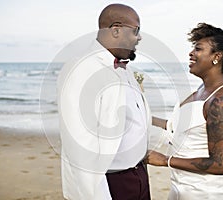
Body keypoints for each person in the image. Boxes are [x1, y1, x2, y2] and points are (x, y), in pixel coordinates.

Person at [58, 4, 154, 200]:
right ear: (116, 30)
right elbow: (80, 148)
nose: (140, 37)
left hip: (139, 176)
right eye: (136, 30)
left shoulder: (123, 69)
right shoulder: (82, 69)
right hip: (111, 184)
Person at [147, 23, 223, 199]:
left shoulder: (221, 101)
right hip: (182, 185)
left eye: (198, 49)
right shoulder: (202, 89)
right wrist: (142, 116)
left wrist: (165, 161)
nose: (191, 53)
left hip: (208, 191)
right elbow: (176, 127)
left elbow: (219, 164)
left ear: (216, 57)